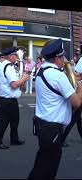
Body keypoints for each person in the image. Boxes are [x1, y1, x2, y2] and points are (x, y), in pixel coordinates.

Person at [28, 39, 82, 179]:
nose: (64, 60)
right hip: (52, 128)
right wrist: (80, 86)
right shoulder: (58, 76)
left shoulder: (43, 69)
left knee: (41, 164)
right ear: (57, 58)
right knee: (49, 170)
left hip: (42, 124)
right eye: (62, 57)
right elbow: (76, 102)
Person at [0, 47, 29, 149]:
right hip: (7, 99)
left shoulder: (3, 65)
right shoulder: (8, 67)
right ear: (11, 56)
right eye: (15, 56)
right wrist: (24, 79)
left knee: (15, 120)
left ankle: (14, 139)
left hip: (7, 98)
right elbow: (14, 85)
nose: (17, 58)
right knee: (4, 121)